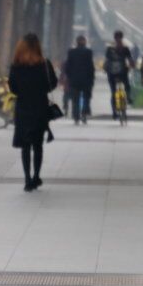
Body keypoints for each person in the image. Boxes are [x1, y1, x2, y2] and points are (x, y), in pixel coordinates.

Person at [9, 33, 57, 192]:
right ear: (38, 46)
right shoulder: (44, 64)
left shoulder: (16, 66)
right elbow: (52, 84)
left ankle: (27, 179)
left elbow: (13, 88)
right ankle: (36, 176)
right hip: (40, 108)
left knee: (25, 146)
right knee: (38, 145)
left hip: (23, 109)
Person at [104, 30, 134, 119]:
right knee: (127, 86)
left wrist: (105, 69)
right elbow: (130, 60)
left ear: (114, 37)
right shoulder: (125, 48)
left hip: (111, 74)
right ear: (122, 37)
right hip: (122, 73)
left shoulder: (109, 49)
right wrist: (132, 66)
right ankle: (128, 97)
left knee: (113, 92)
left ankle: (114, 112)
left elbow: (107, 61)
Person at [65, 36, 94, 125]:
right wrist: (92, 78)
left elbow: (68, 66)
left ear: (76, 42)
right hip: (86, 79)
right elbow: (90, 66)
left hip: (74, 79)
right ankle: (84, 113)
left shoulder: (71, 52)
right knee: (86, 97)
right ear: (85, 42)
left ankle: (76, 116)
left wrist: (68, 77)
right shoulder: (88, 52)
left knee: (75, 99)